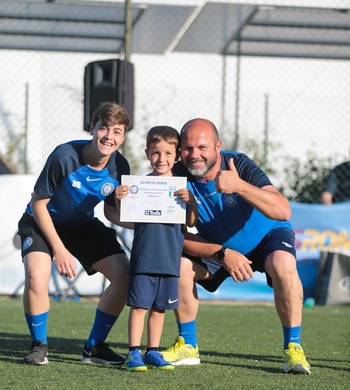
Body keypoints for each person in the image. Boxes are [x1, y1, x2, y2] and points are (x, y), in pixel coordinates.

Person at [161, 118, 311, 374]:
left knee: (283, 263)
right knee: (178, 264)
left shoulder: (238, 164)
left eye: (202, 147)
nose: (194, 155)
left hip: (267, 237)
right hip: (219, 249)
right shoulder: (175, 176)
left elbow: (282, 210)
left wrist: (239, 186)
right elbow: (175, 236)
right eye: (187, 148)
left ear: (218, 146)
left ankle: (293, 349)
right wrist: (223, 253)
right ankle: (188, 345)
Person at [18, 101, 130, 366]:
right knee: (36, 276)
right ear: (92, 128)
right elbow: (38, 204)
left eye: (117, 132)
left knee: (125, 276)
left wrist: (147, 223)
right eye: (104, 129)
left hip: (81, 225)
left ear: (123, 136)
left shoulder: (120, 166)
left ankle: (94, 347)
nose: (109, 137)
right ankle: (39, 345)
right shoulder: (65, 155)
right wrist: (59, 249)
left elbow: (112, 214)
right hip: (40, 221)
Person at [116, 126, 198, 371]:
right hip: (144, 258)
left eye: (167, 154)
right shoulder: (138, 186)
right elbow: (125, 216)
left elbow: (191, 222)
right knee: (140, 306)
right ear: (146, 153)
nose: (161, 159)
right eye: (155, 153)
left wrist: (190, 202)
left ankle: (153, 351)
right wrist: (119, 198)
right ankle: (133, 352)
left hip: (170, 260)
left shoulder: (182, 189)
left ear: (178, 155)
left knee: (160, 308)